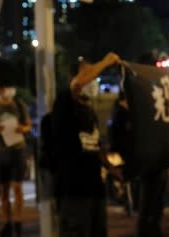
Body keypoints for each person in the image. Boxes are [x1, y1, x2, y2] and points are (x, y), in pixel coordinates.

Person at [51, 53, 121, 237]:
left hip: (95, 188)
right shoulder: (64, 103)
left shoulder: (90, 111)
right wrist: (105, 62)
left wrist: (110, 167)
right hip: (73, 189)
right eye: (89, 75)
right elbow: (77, 84)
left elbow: (96, 145)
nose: (93, 80)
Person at [0, 80, 31, 237]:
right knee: (3, 190)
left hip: (18, 149)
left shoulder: (19, 104)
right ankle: (8, 223)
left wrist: (22, 129)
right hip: (0, 152)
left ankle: (18, 222)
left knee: (17, 188)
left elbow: (28, 125)